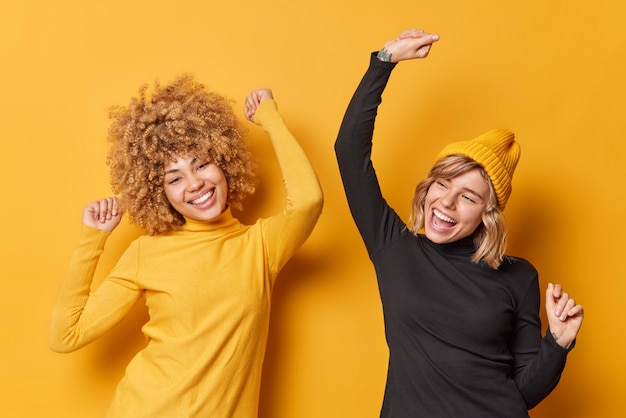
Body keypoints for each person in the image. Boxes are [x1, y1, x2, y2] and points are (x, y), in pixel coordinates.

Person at [334, 29, 584, 417]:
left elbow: (524, 393)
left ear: (488, 213)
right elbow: (350, 153)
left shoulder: (519, 277)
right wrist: (384, 61)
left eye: (468, 197)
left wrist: (558, 342)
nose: (446, 203)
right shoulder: (395, 248)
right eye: (442, 184)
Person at [49, 75, 324, 417]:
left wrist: (270, 118)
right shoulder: (145, 253)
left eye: (202, 164)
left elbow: (308, 201)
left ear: (224, 163)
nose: (195, 184)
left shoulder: (262, 245)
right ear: (158, 192)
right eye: (174, 178)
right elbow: (66, 335)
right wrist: (93, 240)